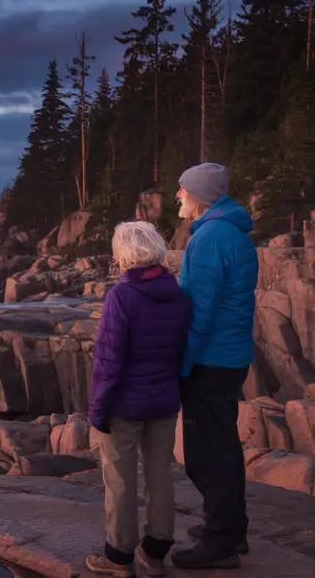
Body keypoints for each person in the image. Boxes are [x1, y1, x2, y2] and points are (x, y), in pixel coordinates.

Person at [86, 221, 192, 577]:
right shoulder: (175, 292)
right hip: (163, 398)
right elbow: (179, 348)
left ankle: (119, 557)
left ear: (124, 254)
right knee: (161, 474)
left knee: (120, 479)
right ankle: (156, 551)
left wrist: (98, 408)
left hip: (125, 404)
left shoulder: (122, 296)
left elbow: (108, 360)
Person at [170, 162, 258, 570]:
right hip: (229, 355)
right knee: (223, 446)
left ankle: (220, 541)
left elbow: (197, 310)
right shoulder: (231, 233)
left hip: (210, 358)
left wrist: (181, 364)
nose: (177, 197)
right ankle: (230, 530)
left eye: (182, 190)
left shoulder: (210, 240)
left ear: (199, 196)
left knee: (207, 453)